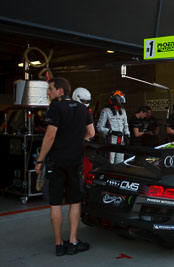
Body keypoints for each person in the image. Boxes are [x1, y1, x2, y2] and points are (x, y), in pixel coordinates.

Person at [34, 77, 95, 256]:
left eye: (50, 89)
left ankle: (59, 244)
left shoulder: (55, 107)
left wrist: (40, 160)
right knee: (75, 201)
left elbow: (50, 136)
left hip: (57, 161)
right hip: (75, 161)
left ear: (61, 91)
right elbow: (91, 133)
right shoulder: (84, 109)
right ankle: (74, 241)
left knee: (55, 203)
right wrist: (75, 139)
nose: (48, 93)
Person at [97, 90, 130, 164]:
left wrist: (127, 135)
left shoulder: (123, 111)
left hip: (121, 140)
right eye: (120, 101)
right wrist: (112, 132)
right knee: (109, 162)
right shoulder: (105, 111)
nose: (121, 103)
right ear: (115, 100)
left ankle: (118, 175)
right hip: (110, 140)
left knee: (120, 163)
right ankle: (108, 175)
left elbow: (126, 125)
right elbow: (99, 127)